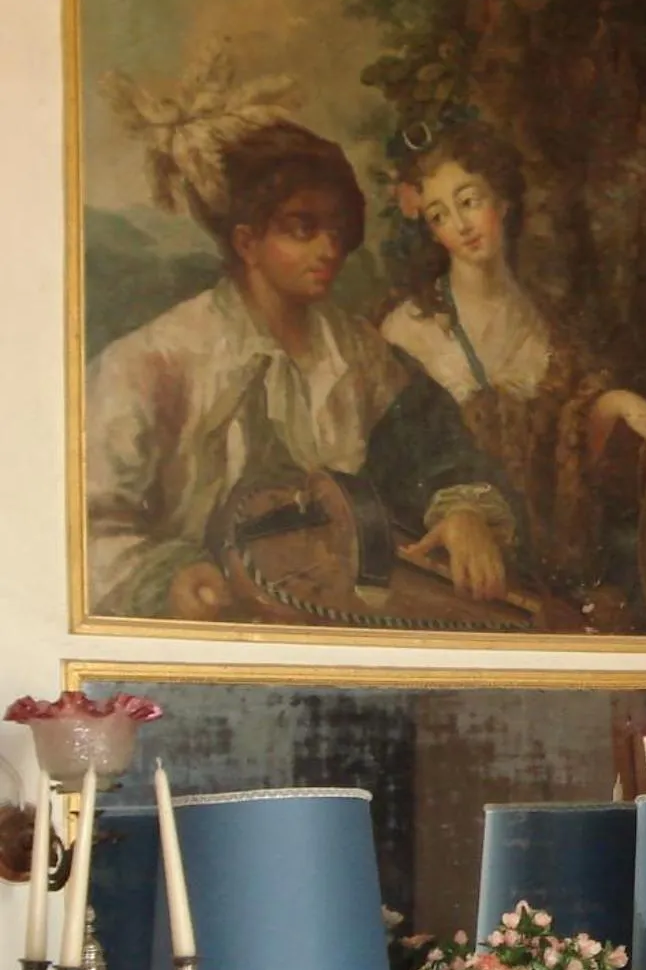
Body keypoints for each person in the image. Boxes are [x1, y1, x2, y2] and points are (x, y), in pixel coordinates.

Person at [88, 71, 515, 621]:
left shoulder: (357, 352)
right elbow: (84, 523)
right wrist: (165, 579)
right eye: (301, 228)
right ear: (247, 241)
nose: (328, 249)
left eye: (337, 231)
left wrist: (463, 512)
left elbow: (437, 447)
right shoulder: (151, 362)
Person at [381, 119, 646, 607]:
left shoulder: (544, 320)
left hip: (545, 551)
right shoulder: (408, 327)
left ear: (503, 201)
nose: (460, 224)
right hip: (454, 564)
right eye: (439, 214)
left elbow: (572, 438)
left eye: (470, 201)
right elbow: (399, 464)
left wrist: (621, 402)